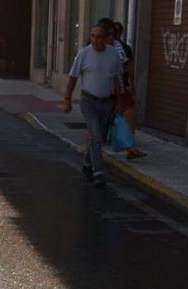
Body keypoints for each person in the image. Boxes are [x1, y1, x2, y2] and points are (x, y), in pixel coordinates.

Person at [62, 23, 123, 188]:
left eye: (99, 37)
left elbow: (116, 79)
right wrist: (67, 98)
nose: (95, 40)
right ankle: (99, 172)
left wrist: (118, 102)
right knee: (95, 136)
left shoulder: (113, 55)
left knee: (98, 137)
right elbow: (73, 77)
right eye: (93, 36)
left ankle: (87, 163)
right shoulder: (84, 54)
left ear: (106, 38)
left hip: (107, 102)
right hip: (89, 101)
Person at [111, 21, 146, 160]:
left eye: (116, 33)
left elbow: (129, 68)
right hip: (104, 90)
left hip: (120, 87)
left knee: (130, 112)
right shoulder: (98, 46)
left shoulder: (123, 48)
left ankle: (130, 147)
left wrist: (131, 85)